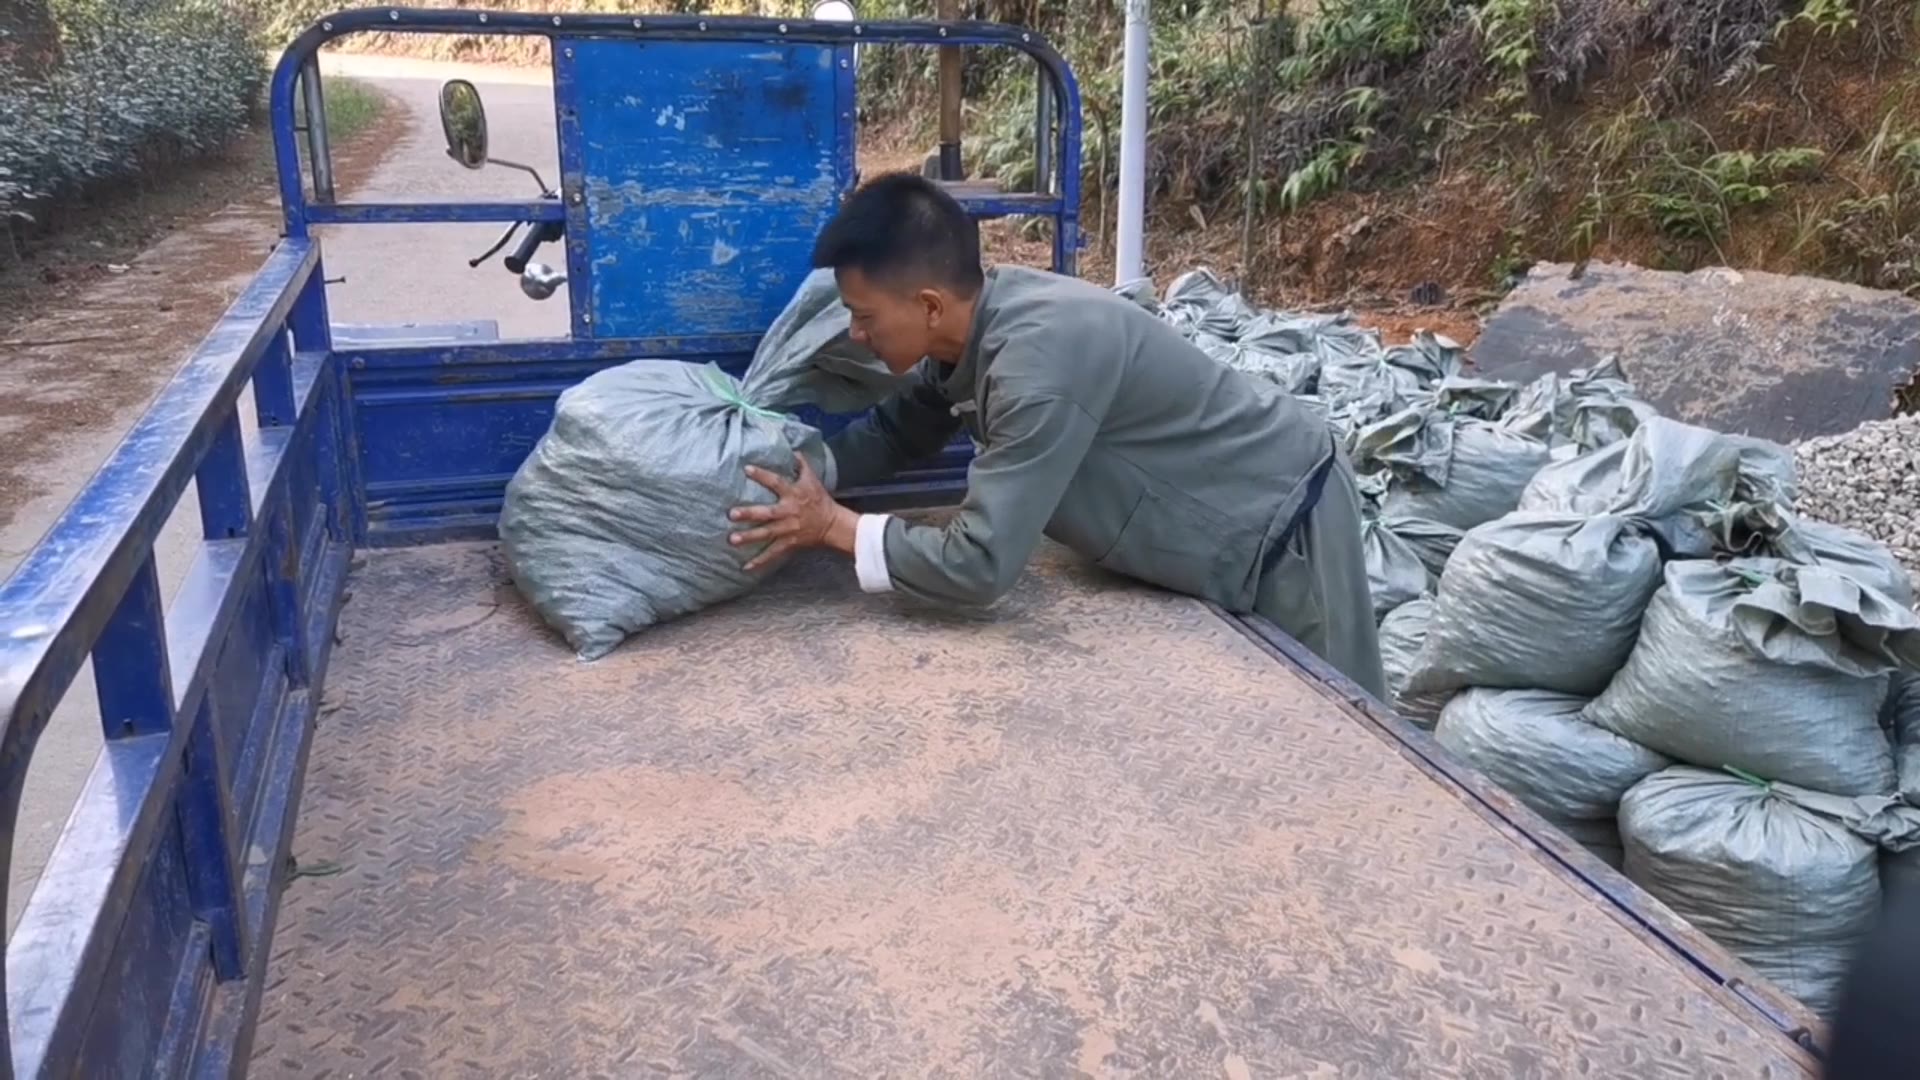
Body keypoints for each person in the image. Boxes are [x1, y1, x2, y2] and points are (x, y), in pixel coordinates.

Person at [727, 173, 1385, 697]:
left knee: (1343, 730)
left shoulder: (1037, 360)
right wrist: (798, 476)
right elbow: (900, 431)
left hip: (1284, 516)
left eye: (864, 317)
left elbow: (980, 564)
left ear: (928, 304)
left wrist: (833, 527)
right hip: (1219, 519)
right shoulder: (973, 330)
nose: (857, 336)